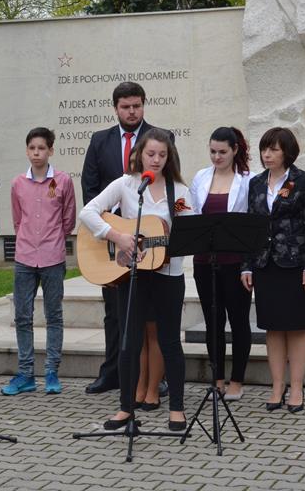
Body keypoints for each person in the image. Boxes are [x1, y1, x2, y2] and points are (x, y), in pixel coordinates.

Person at [79, 128, 192, 431]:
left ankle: (177, 409)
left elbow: (188, 230)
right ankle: (126, 408)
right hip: (132, 275)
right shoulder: (127, 185)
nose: (155, 160)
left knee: (169, 341)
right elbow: (87, 212)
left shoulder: (179, 191)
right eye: (150, 154)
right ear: (140, 153)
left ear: (170, 157)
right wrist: (116, 236)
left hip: (169, 276)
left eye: (162, 155)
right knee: (128, 341)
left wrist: (175, 238)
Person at [81, 81, 171, 398]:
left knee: (150, 322)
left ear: (144, 104)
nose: (131, 111)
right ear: (116, 108)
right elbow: (90, 192)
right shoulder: (99, 141)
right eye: (125, 106)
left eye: (136, 105)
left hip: (149, 247)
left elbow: (171, 187)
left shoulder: (161, 138)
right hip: (111, 243)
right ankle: (113, 373)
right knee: (114, 313)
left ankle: (152, 380)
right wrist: (108, 239)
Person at [240, 127, 305, 414]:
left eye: (273, 149)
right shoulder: (257, 183)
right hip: (266, 265)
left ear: (287, 152)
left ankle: (297, 387)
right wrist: (247, 265)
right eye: (264, 149)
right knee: (273, 328)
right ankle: (277, 386)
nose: (267, 154)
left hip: (296, 264)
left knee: (297, 327)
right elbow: (252, 227)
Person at [1, 127, 76, 396]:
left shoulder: (64, 181)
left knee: (53, 315)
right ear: (26, 150)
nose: (36, 153)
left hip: (52, 257)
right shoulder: (17, 183)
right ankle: (25, 374)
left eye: (41, 148)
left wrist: (52, 239)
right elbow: (18, 219)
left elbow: (68, 220)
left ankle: (52, 372)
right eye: (32, 148)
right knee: (23, 315)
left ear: (51, 150)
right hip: (24, 257)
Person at [189, 127, 255, 401]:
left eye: (223, 152)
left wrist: (249, 265)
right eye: (213, 151)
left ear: (235, 150)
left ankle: (237, 380)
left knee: (238, 321)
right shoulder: (201, 177)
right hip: (205, 261)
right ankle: (217, 379)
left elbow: (252, 223)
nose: (217, 157)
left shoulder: (248, 180)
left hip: (236, 263)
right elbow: (192, 214)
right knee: (213, 321)